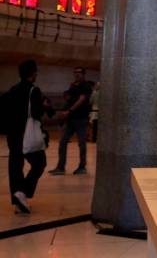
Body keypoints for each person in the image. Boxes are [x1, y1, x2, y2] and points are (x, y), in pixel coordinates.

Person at [4, 60, 47, 214]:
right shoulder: (33, 90)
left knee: (15, 165)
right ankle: (23, 192)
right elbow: (36, 113)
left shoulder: (12, 90)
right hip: (27, 135)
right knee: (39, 163)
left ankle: (18, 200)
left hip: (13, 134)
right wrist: (44, 106)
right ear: (32, 73)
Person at [49, 66, 92, 175]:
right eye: (75, 73)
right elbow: (67, 96)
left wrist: (69, 111)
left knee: (82, 143)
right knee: (63, 142)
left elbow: (81, 100)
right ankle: (60, 167)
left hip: (81, 118)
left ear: (83, 74)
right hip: (71, 119)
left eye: (79, 73)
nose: (76, 75)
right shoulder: (73, 86)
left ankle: (82, 167)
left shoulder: (86, 86)